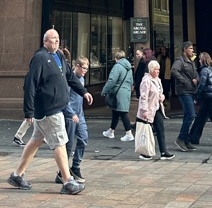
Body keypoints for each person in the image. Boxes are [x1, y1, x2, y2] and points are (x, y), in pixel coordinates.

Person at [8, 28, 92, 195]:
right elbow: (30, 85)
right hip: (48, 109)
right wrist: (28, 111)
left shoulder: (59, 55)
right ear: (45, 41)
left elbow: (69, 77)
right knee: (60, 142)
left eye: (58, 38)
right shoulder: (40, 58)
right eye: (53, 38)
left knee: (36, 140)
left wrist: (83, 91)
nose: (56, 41)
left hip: (56, 107)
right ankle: (68, 181)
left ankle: (17, 175)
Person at [57, 55, 89, 184]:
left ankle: (75, 167)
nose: (85, 71)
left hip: (79, 114)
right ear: (77, 66)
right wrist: (71, 113)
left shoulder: (82, 79)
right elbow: (65, 99)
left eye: (87, 69)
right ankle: (62, 172)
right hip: (70, 115)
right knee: (68, 144)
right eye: (84, 68)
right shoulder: (69, 79)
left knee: (83, 138)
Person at [137, 59, 175, 161]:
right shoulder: (146, 81)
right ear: (151, 69)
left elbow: (160, 92)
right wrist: (144, 111)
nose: (158, 71)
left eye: (158, 69)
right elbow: (144, 97)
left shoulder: (158, 80)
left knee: (160, 129)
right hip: (148, 110)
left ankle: (163, 152)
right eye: (156, 70)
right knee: (146, 131)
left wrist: (162, 96)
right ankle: (145, 152)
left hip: (156, 108)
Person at [171, 41, 198, 151]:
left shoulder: (191, 61)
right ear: (185, 49)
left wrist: (197, 79)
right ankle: (181, 138)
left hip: (191, 90)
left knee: (188, 115)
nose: (192, 50)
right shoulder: (180, 60)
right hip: (184, 91)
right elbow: (174, 71)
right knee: (191, 114)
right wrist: (184, 81)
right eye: (190, 48)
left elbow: (195, 73)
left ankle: (186, 140)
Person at [101, 49, 134, 141]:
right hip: (126, 92)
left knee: (123, 113)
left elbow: (112, 80)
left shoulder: (117, 66)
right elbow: (131, 81)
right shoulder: (129, 68)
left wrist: (104, 91)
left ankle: (129, 133)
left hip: (118, 93)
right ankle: (111, 131)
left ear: (116, 58)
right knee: (116, 112)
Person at [188, 51, 212, 147]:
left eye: (200, 59)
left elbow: (201, 85)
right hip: (211, 97)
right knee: (200, 118)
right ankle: (193, 137)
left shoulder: (204, 71)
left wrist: (197, 96)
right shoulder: (211, 69)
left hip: (209, 97)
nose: (199, 61)